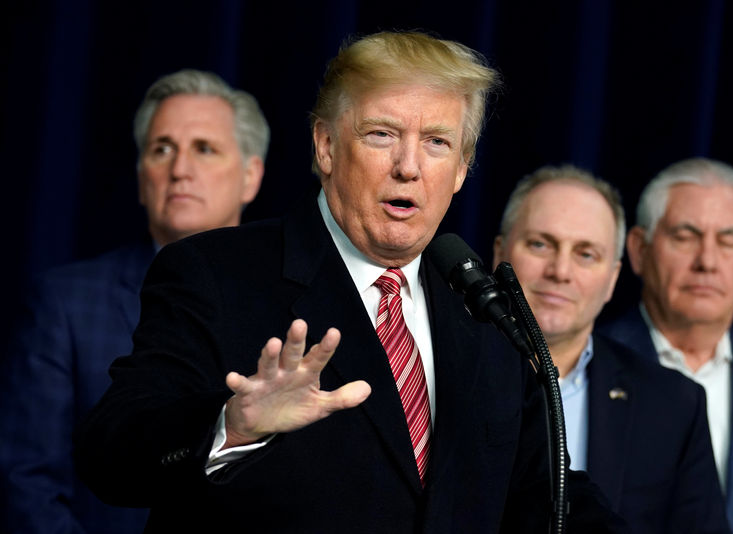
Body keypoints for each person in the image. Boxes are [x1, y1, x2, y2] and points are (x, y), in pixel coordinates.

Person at [74, 32, 625, 533]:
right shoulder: (213, 273)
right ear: (327, 147)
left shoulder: (480, 305)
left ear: (461, 169)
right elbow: (111, 455)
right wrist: (231, 424)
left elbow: (537, 491)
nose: (409, 166)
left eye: (436, 142)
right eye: (382, 134)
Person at [0, 69, 268, 534]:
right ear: (142, 175)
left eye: (204, 149)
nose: (179, 169)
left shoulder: (287, 301)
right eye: (161, 149)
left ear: (250, 176)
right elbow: (26, 482)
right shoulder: (64, 303)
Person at [492, 165, 730, 533]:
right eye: (540, 244)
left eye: (586, 254)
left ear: (612, 279)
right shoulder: (434, 368)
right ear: (499, 253)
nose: (560, 271)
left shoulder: (674, 405)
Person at [599, 157, 733, 534]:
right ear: (640, 250)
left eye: (727, 241)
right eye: (685, 236)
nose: (707, 261)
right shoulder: (584, 366)